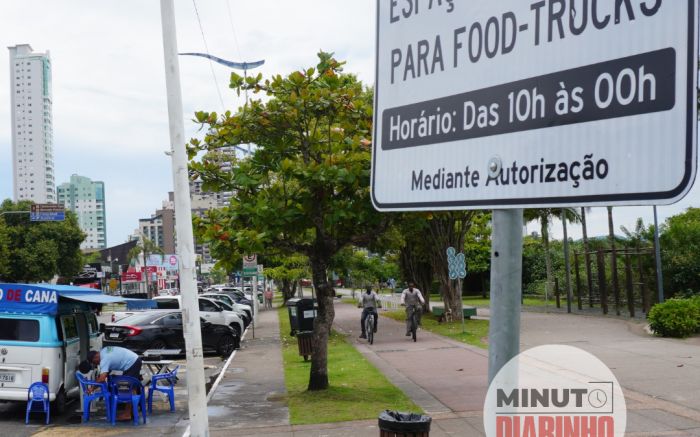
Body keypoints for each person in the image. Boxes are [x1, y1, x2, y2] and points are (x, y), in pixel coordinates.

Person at [87, 346, 142, 421]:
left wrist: (92, 388)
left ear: (95, 357)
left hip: (132, 362)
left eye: (95, 362)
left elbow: (102, 378)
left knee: (129, 388)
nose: (97, 364)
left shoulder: (104, 360)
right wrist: (100, 378)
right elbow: (104, 374)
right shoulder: (104, 350)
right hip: (133, 359)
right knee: (131, 387)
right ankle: (132, 412)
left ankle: (127, 414)